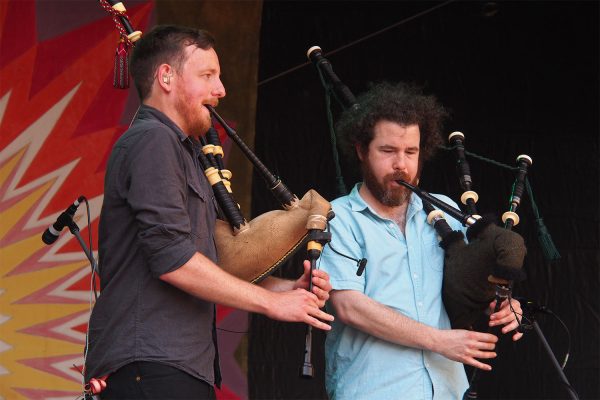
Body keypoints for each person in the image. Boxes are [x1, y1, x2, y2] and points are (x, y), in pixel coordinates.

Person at [84, 25, 333, 399]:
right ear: (166, 77)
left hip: (172, 364)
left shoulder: (183, 152)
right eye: (207, 76)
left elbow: (206, 264)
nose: (221, 90)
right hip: (149, 364)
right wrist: (272, 302)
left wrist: (286, 287)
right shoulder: (153, 140)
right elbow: (172, 260)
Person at [319, 82, 523, 399]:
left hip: (447, 390)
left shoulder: (446, 211)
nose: (401, 164)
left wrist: (501, 302)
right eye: (388, 151)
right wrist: (438, 340)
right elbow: (348, 307)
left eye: (411, 152)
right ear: (361, 150)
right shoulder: (338, 218)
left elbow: (466, 286)